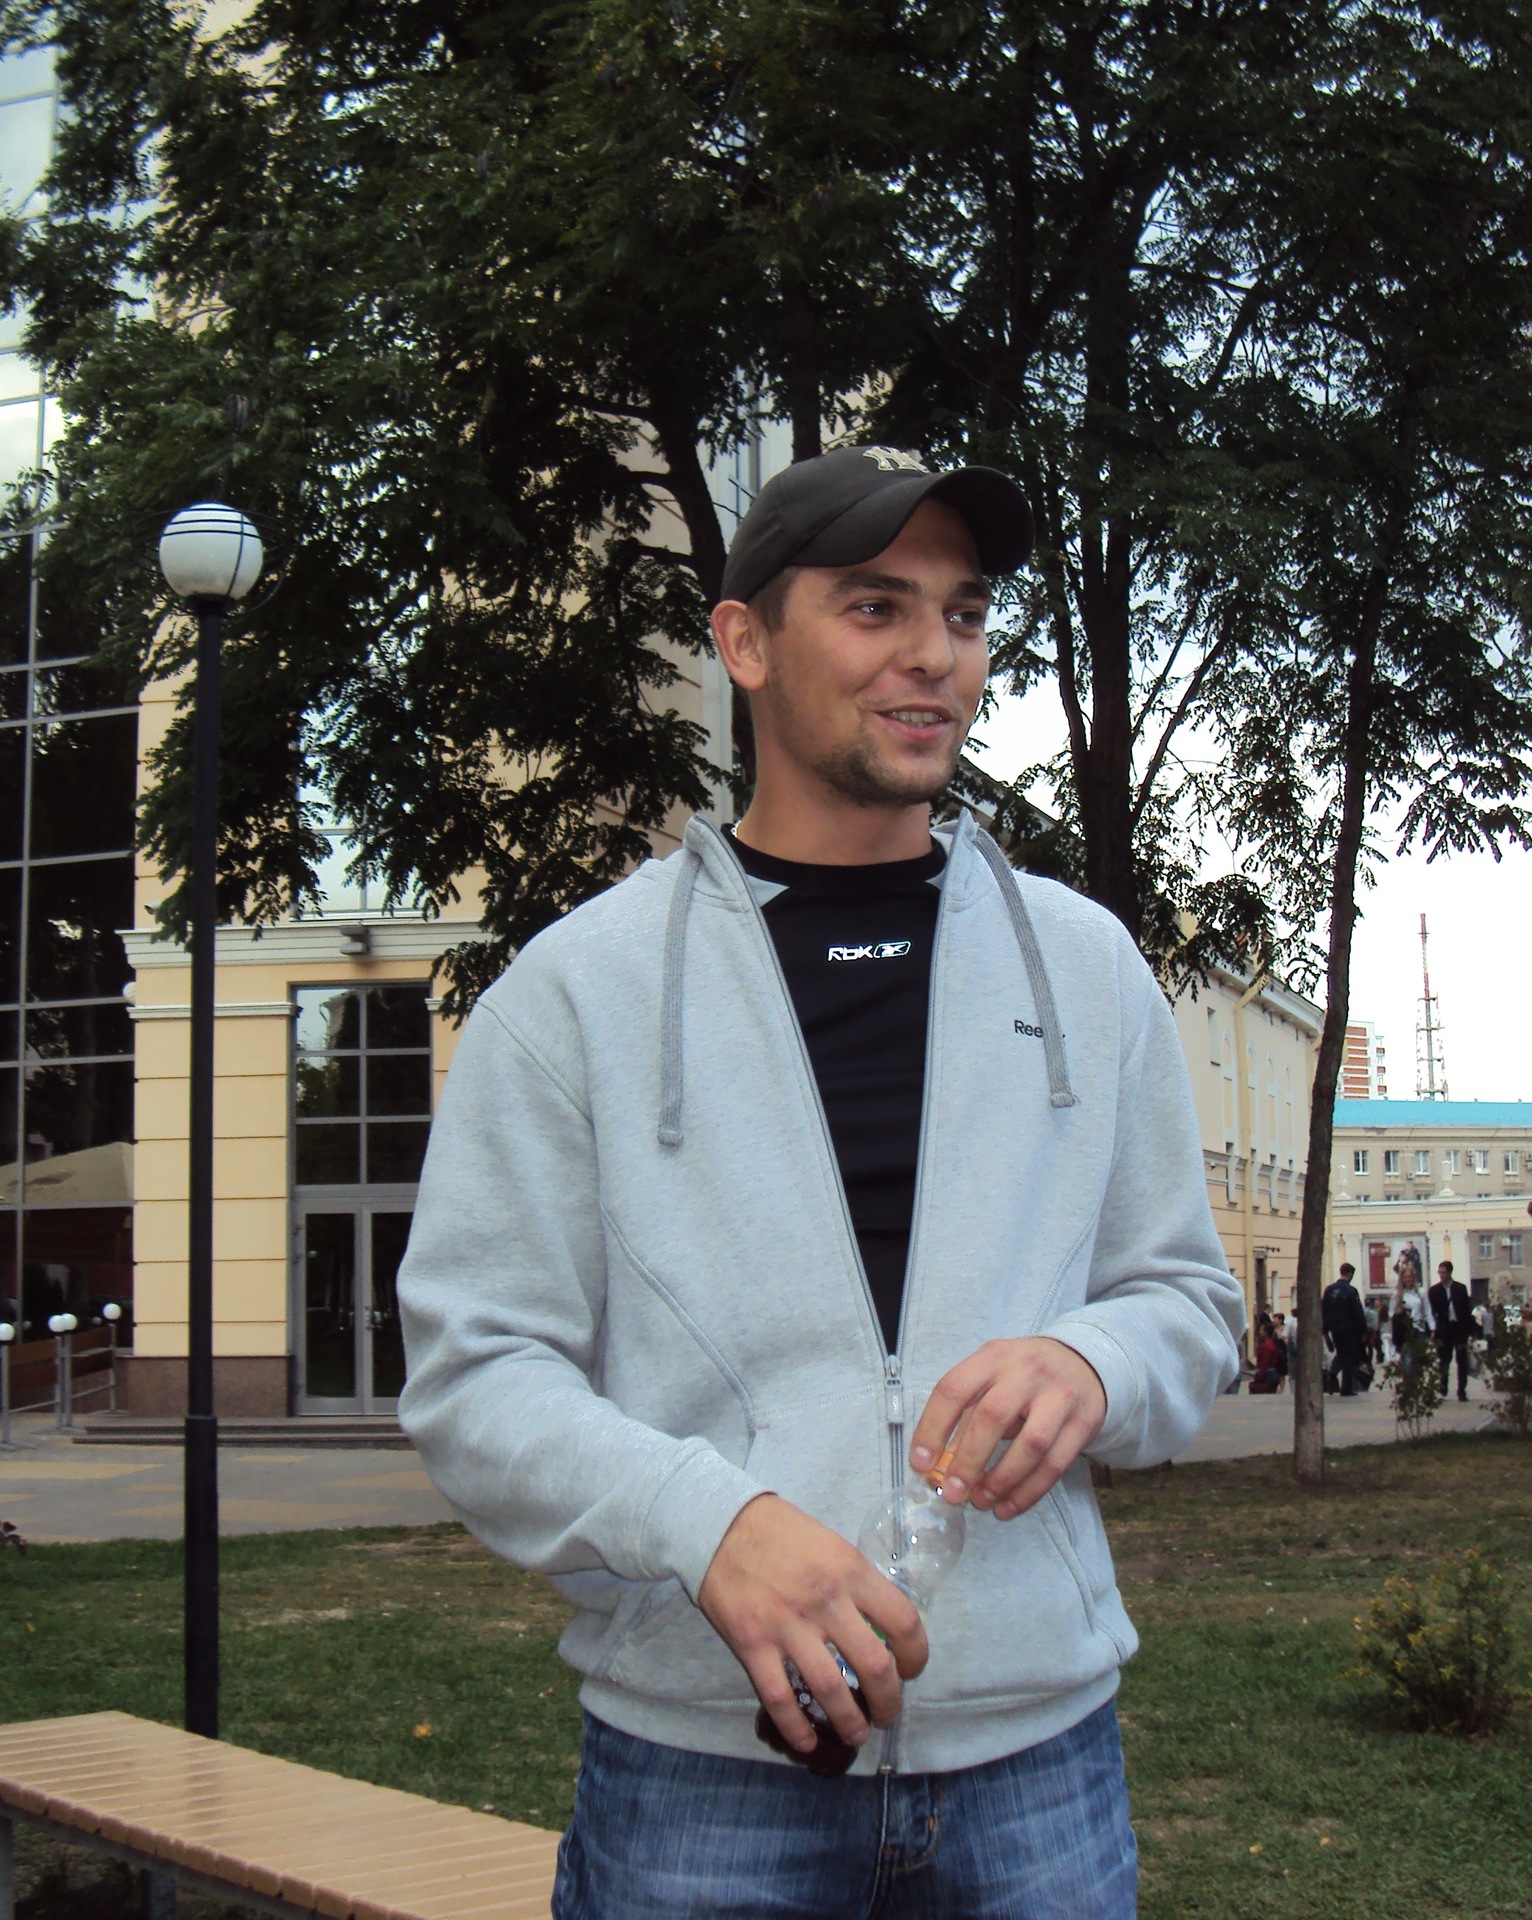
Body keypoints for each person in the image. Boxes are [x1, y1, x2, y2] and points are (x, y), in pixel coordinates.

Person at [396, 444, 1240, 1919]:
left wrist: (1093, 1363)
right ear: (744, 643)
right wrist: (706, 1523)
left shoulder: (1088, 967)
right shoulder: (578, 992)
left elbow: (1185, 1302)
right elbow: (477, 1375)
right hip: (702, 1779)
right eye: (874, 606)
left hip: (1038, 1770)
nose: (936, 657)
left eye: (964, 614)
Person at [1427, 1259, 1477, 1402]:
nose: (1441, 1275)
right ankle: (1443, 1385)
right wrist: (1434, 1330)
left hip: (1459, 1328)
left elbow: (1466, 1310)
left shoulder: (1460, 1289)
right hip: (1444, 1329)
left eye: (1443, 1272)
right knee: (1444, 1359)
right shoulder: (1434, 1291)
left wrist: (1472, 1330)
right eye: (1439, 1272)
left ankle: (1461, 1391)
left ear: (1449, 1272)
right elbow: (1432, 1311)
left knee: (1462, 1360)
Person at [1321, 1263, 1371, 1397]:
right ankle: (1346, 1387)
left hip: (1334, 1329)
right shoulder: (1351, 1291)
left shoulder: (1329, 1290)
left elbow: (1324, 1310)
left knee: (1341, 1353)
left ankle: (1332, 1373)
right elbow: (1358, 1312)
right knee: (1349, 1356)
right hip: (1349, 1329)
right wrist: (1363, 1331)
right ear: (1350, 1274)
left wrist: (1325, 1330)